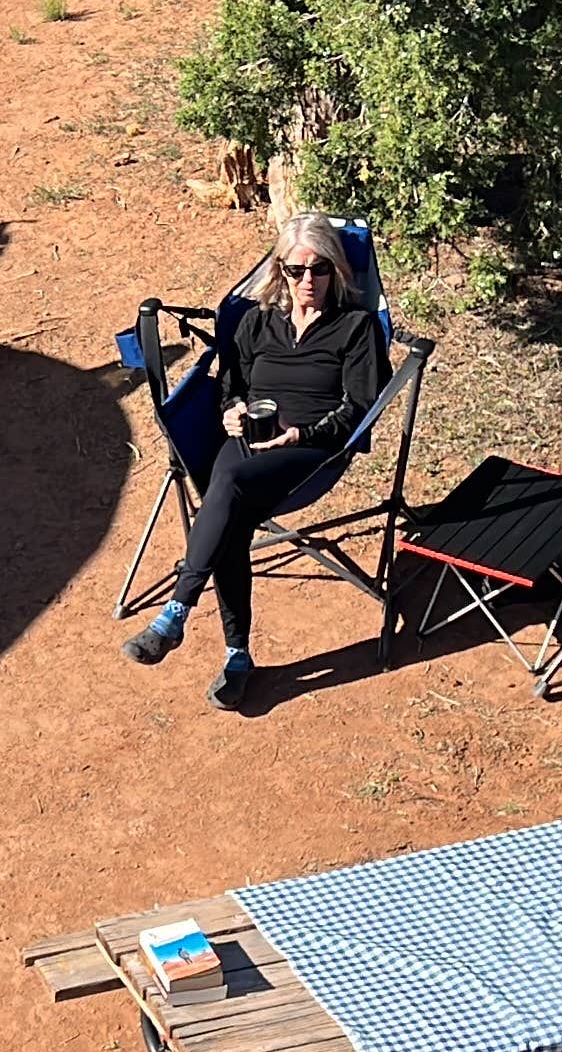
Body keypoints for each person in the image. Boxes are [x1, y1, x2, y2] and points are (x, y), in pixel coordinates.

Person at [123, 214, 387, 710]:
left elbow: (357, 409)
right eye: (295, 270)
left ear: (337, 271)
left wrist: (301, 433)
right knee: (231, 505)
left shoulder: (356, 328)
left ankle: (176, 612)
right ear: (280, 272)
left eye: (320, 269)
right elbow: (231, 383)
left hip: (310, 450)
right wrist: (230, 410)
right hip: (248, 441)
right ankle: (236, 657)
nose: (308, 280)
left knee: (228, 485)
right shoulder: (255, 321)